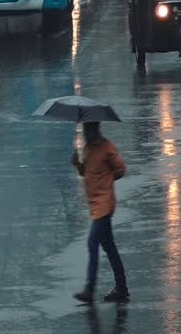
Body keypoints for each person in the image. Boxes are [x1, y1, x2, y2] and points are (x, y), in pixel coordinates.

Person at [71, 122, 129, 303]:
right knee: (109, 247)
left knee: (92, 242)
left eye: (88, 130)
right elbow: (86, 172)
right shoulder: (88, 149)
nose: (86, 133)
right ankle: (122, 288)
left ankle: (90, 288)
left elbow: (121, 169)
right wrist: (78, 163)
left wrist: (108, 177)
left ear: (95, 129)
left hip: (104, 205)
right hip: (95, 205)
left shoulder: (106, 147)